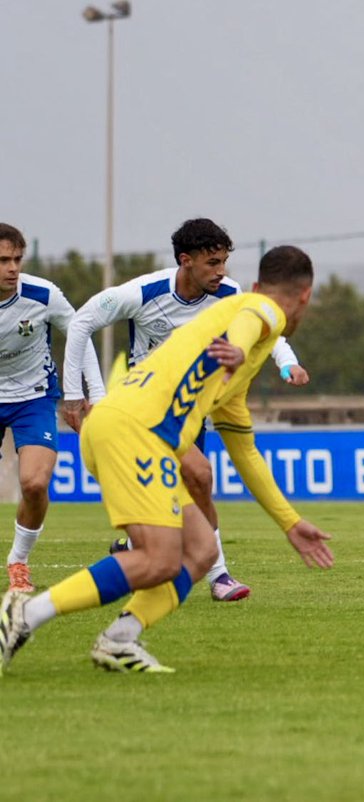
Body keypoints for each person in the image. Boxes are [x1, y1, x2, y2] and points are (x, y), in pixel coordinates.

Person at [0, 245, 333, 674]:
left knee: (198, 552)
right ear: (305, 296)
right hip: (133, 433)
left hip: (129, 430)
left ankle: (120, 638)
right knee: (158, 558)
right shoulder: (260, 313)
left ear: (252, 283)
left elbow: (246, 453)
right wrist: (234, 347)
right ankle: (26, 614)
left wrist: (289, 521)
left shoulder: (233, 375)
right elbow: (252, 322)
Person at [62, 218, 311, 602]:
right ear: (185, 260)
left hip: (192, 407)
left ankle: (134, 552)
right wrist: (81, 396)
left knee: (190, 489)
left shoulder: (229, 292)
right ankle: (219, 575)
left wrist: (285, 363)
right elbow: (81, 322)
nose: (221, 271)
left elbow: (262, 323)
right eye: (212, 262)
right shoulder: (143, 292)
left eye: (224, 261)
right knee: (199, 475)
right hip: (147, 407)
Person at [0, 223, 105, 594]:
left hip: (34, 396)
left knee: (33, 483)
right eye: (3, 261)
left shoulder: (43, 295)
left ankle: (18, 562)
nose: (12, 268)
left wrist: (95, 394)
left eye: (16, 259)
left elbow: (80, 334)